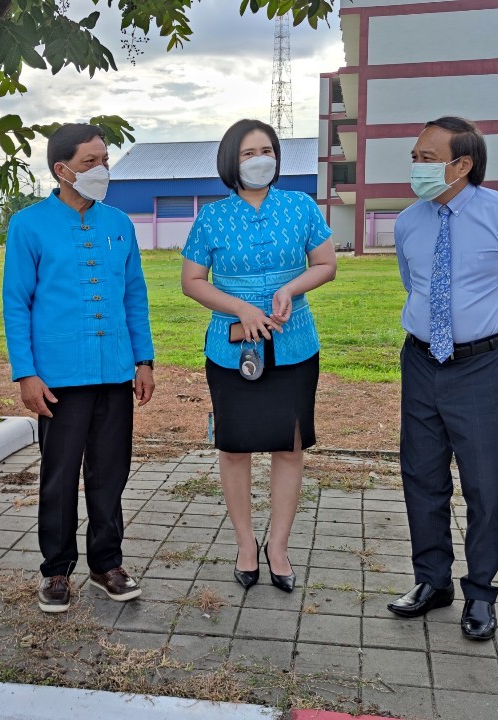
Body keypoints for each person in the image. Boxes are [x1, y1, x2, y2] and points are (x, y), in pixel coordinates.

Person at [387, 116, 498, 641]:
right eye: (415, 157)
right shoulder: (408, 222)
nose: (416, 166)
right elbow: (413, 284)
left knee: (482, 482)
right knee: (421, 475)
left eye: (427, 159)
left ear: (462, 165)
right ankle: (432, 581)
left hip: (483, 366)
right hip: (421, 362)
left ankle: (480, 592)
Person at [2, 122, 156, 614]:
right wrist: (26, 373)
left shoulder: (119, 224)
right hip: (58, 379)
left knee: (111, 474)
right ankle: (56, 569)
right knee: (60, 477)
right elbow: (16, 303)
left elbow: (134, 296)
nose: (101, 169)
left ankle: (107, 564)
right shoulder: (29, 225)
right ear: (61, 169)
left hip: (115, 372)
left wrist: (144, 360)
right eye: (90, 161)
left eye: (104, 159)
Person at [180, 119, 336, 593]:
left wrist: (291, 287)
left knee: (289, 446)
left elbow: (326, 264)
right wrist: (240, 307)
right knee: (235, 447)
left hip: (294, 344)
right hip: (232, 349)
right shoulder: (211, 217)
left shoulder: (301, 206)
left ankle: (279, 547)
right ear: (231, 161)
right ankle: (246, 544)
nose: (259, 160)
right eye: (248, 153)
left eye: (266, 150)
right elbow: (192, 281)